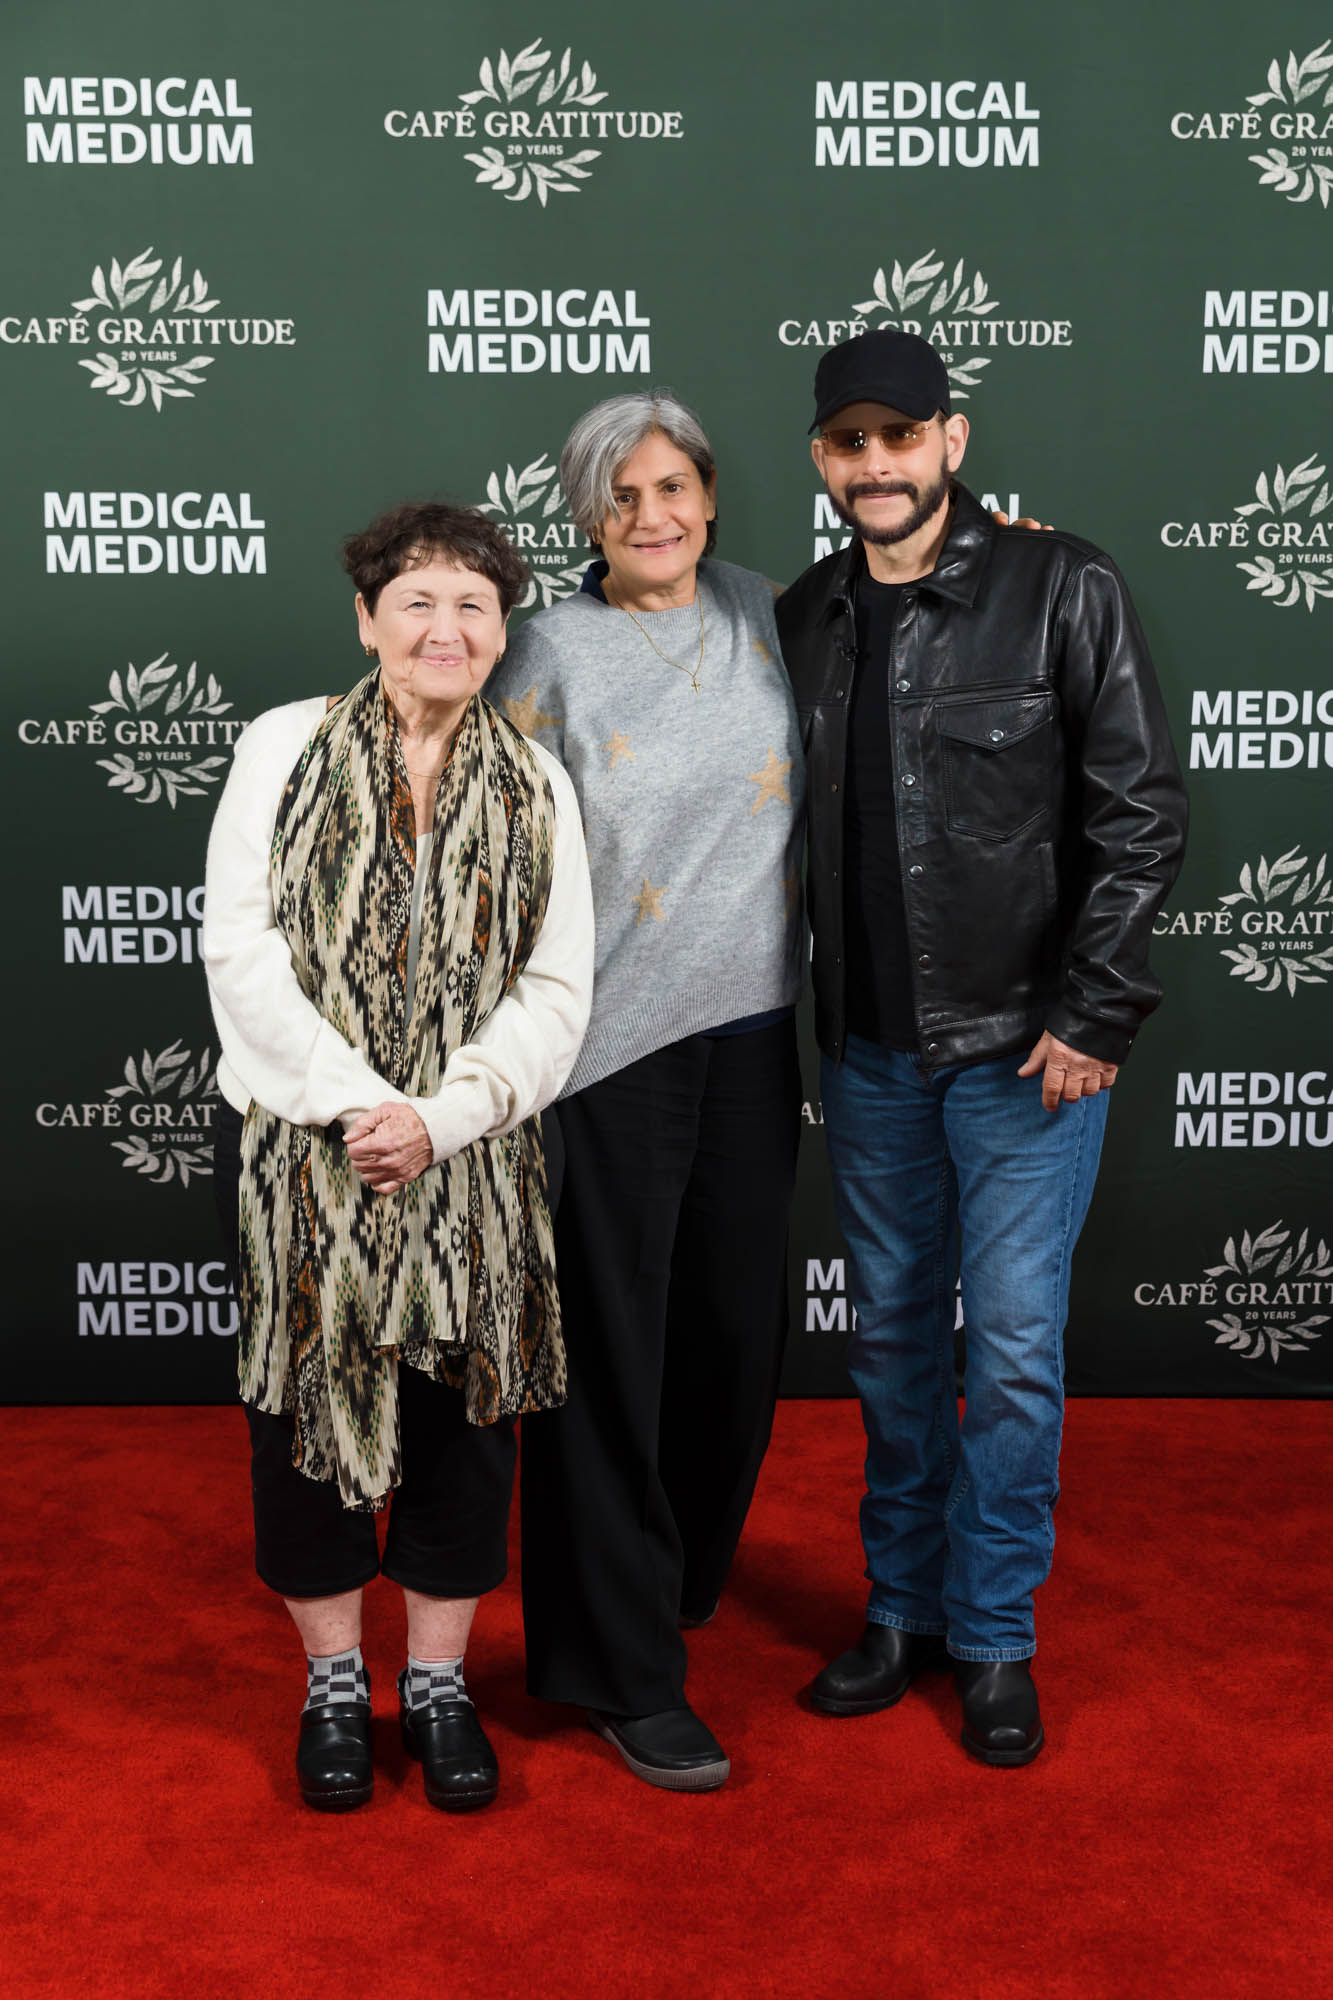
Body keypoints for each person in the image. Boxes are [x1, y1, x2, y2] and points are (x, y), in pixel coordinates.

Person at [777, 329, 1187, 1766]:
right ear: (821, 460)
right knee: (894, 1348)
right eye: (849, 443)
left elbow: (1138, 812)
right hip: (871, 1058)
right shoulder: (805, 615)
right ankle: (902, 1611)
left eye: (900, 437)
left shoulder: (1061, 583)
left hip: (1026, 1056)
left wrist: (1094, 1010)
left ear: (950, 441)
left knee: (1008, 1355)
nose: (875, 464)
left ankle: (995, 1631)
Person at [203, 502, 594, 1813]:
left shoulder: (537, 783)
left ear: (502, 633)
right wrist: (362, 1107)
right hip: (309, 1160)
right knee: (305, 1421)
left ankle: (435, 1685)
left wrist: (445, 1117)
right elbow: (240, 949)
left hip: (472, 1165)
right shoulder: (281, 748)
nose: (446, 627)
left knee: (464, 1430)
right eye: (418, 600)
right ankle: (332, 1684)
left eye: (474, 604)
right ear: (366, 619)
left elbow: (557, 988)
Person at [487, 392, 806, 1791]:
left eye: (671, 486)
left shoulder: (772, 612)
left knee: (734, 1340)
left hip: (756, 1032)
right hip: (607, 1053)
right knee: (608, 1359)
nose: (651, 515)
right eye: (619, 497)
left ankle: (667, 1581)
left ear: (710, 493)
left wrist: (1009, 562)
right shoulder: (547, 648)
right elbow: (487, 838)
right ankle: (615, 1668)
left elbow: (920, 636)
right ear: (585, 515)